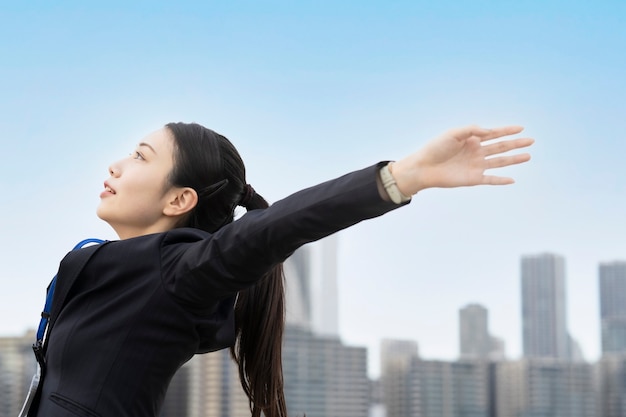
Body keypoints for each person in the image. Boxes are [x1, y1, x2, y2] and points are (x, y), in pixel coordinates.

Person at [30, 122, 533, 417]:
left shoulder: (178, 272)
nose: (116, 165)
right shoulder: (114, 267)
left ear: (180, 199)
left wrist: (398, 179)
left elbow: (271, 230)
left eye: (140, 157)